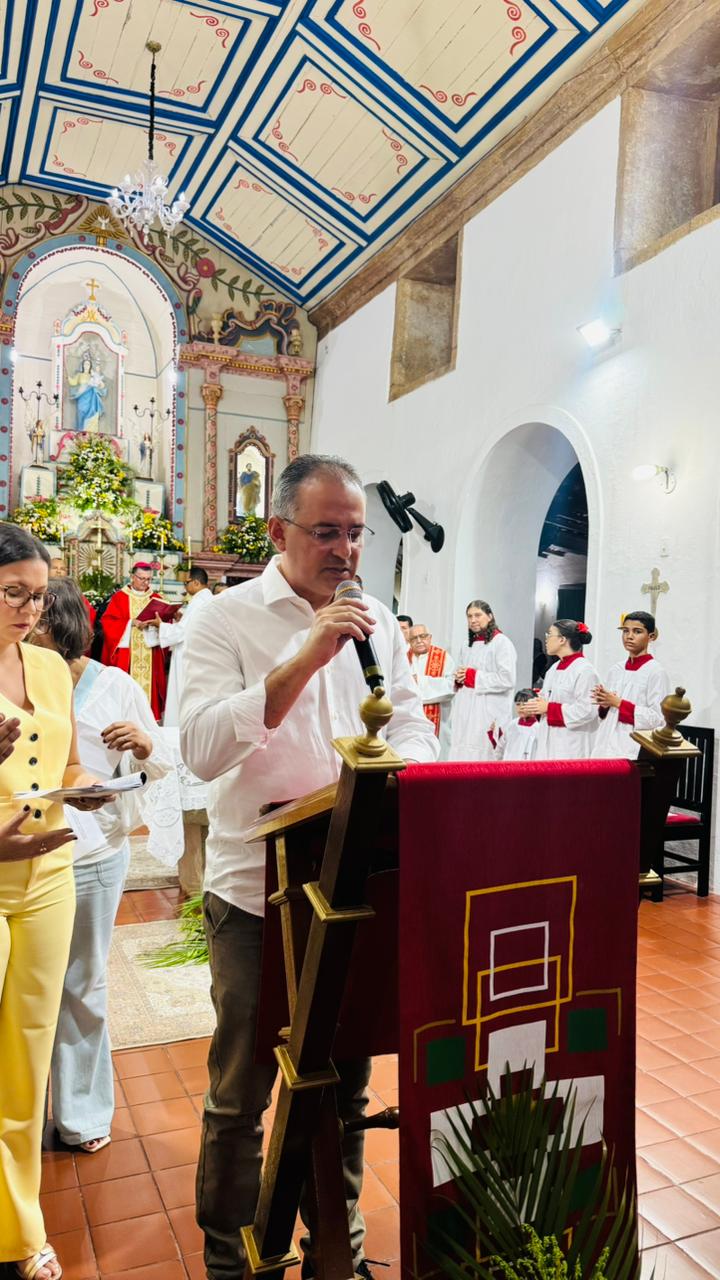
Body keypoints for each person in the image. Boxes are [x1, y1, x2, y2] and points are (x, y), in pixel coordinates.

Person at [180, 453, 439, 1280]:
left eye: (356, 532)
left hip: (352, 885)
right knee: (241, 1095)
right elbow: (199, 750)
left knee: (342, 1087)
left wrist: (402, 768)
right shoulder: (222, 620)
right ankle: (230, 1261)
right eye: (326, 531)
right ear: (277, 530)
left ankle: (338, 1251)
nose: (346, 550)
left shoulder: (380, 620)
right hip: (257, 894)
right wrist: (305, 655)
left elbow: (411, 725)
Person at [31, 578, 177, 1156]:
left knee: (83, 985)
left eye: (41, 618)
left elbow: (161, 760)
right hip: (24, 854)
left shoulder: (113, 685)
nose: (28, 628)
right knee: (23, 988)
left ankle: (81, 1115)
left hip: (93, 854)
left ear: (65, 626)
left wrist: (143, 743)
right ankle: (20, 1116)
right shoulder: (12, 678)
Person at [0, 526, 107, 1280]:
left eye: (38, 596)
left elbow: (66, 762)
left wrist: (86, 785)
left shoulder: (48, 666)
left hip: (48, 875)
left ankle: (20, 1228)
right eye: (14, 593)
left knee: (28, 1055)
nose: (30, 610)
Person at [592, 611, 670, 759]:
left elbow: (658, 719)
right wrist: (604, 704)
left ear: (651, 636)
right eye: (625, 631)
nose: (629, 636)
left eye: (637, 631)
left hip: (631, 747)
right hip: (605, 744)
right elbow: (604, 715)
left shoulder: (656, 672)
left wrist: (619, 703)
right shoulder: (615, 669)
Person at [143, 566, 214, 727]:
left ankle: (177, 728)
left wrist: (161, 625)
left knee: (181, 693)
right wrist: (179, 619)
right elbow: (190, 626)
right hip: (197, 652)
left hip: (187, 654)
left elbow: (182, 632)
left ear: (196, 583)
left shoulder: (199, 601)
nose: (185, 587)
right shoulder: (207, 599)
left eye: (186, 583)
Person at [449, 600, 517, 761]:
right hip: (465, 712)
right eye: (469, 616)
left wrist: (472, 676)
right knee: (461, 753)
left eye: (478, 615)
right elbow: (461, 672)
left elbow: (507, 679)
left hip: (488, 712)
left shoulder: (502, 643)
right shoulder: (466, 645)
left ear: (490, 616)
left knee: (485, 756)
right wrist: (458, 678)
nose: (473, 620)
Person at [99, 562, 168, 721]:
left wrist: (158, 624)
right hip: (127, 654)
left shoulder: (156, 599)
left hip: (149, 651)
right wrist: (131, 623)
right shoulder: (120, 597)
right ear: (132, 577)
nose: (145, 583)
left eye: (148, 579)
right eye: (141, 578)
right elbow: (108, 622)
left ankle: (148, 721)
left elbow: (165, 625)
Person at [524, 620, 600, 759]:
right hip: (549, 740)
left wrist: (549, 708)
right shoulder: (553, 668)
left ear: (562, 640)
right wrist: (535, 704)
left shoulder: (585, 670)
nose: (546, 639)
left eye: (549, 634)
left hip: (571, 744)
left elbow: (588, 710)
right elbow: (546, 698)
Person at [407, 622, 455, 757]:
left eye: (423, 636)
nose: (419, 641)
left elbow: (452, 686)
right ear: (409, 641)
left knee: (436, 759)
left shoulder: (443, 657)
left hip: (439, 723)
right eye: (414, 638)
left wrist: (420, 682)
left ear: (430, 638)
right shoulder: (403, 659)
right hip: (410, 722)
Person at [489, 688, 539, 761]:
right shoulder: (512, 725)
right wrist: (496, 735)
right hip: (508, 766)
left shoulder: (538, 729)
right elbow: (500, 749)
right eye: (518, 704)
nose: (521, 707)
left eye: (524, 704)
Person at [67, 352, 107, 433]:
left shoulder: (92, 376)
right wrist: (68, 377)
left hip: (91, 397)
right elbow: (73, 382)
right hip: (82, 396)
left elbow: (99, 384)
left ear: (90, 366)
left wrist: (99, 383)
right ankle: (80, 431)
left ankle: (90, 432)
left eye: (88, 364)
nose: (86, 366)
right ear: (82, 365)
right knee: (80, 411)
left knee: (92, 412)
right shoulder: (79, 375)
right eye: (85, 364)